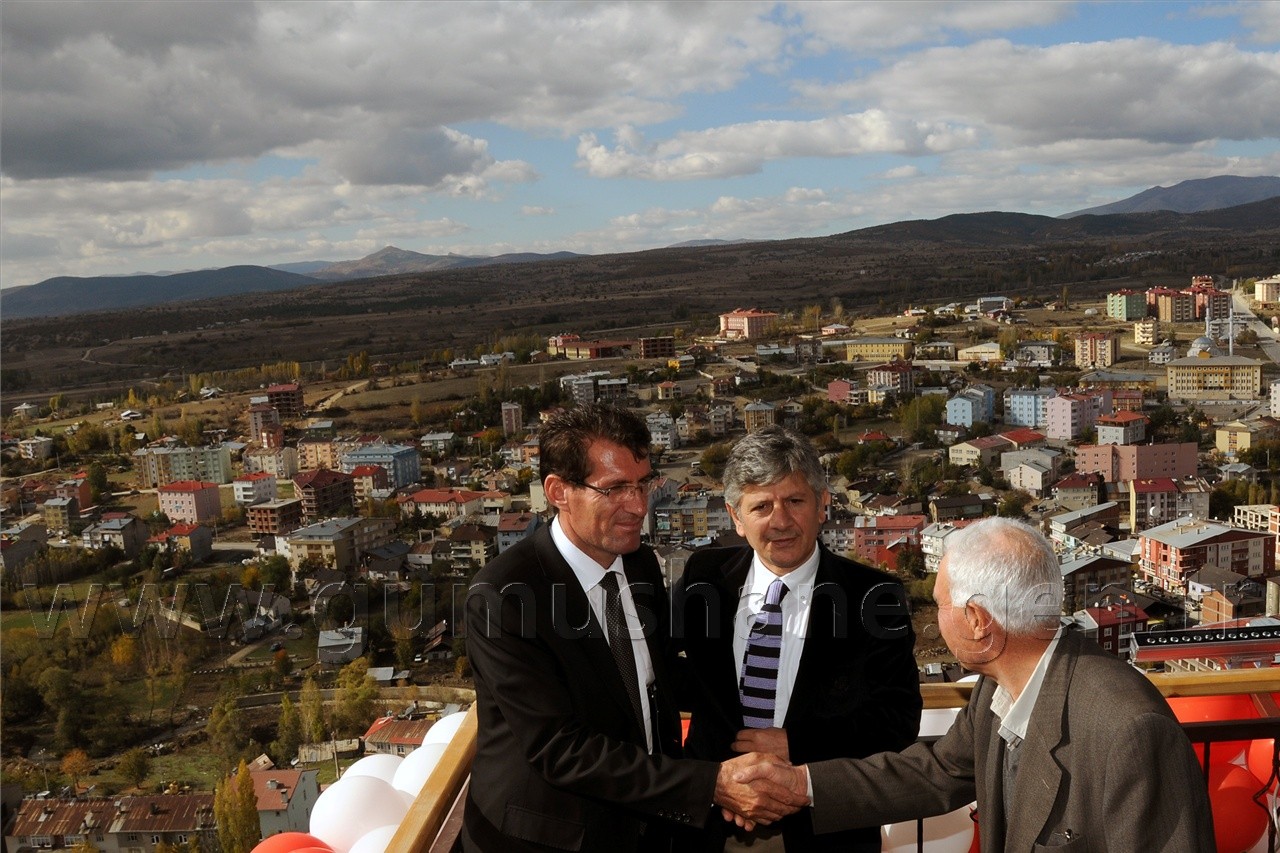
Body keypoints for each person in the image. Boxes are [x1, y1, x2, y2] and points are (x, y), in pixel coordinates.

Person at [732, 517, 1216, 852]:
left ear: (978, 621)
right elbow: (935, 773)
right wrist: (801, 784)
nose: (934, 620)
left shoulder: (1127, 729)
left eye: (941, 605)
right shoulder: (997, 687)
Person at [463, 404, 805, 853]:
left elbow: (659, 675)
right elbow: (561, 750)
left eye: (642, 483)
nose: (638, 506)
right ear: (558, 491)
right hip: (551, 838)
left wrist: (782, 727)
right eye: (615, 489)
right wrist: (712, 784)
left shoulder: (639, 563)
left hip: (649, 826)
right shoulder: (504, 596)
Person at [672, 425, 922, 852]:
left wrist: (796, 745)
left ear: (823, 505)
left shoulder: (874, 597)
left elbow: (897, 718)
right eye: (762, 506)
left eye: (794, 500)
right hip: (714, 826)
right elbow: (670, 682)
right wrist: (714, 783)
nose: (780, 521)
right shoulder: (703, 578)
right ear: (735, 517)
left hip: (823, 829)